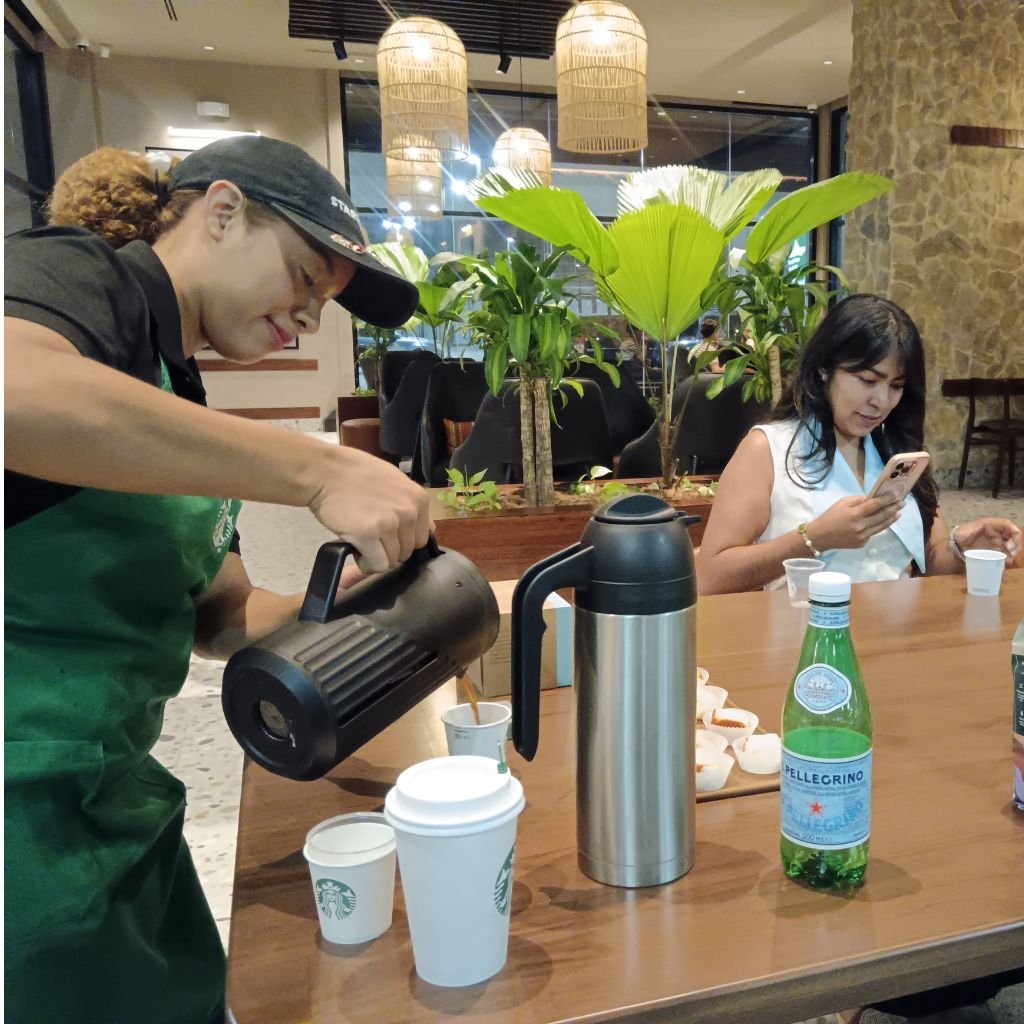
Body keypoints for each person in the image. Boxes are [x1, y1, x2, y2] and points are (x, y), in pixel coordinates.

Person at [5, 135, 432, 1023]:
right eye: (305, 278)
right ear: (223, 211)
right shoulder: (83, 278)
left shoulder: (180, 397)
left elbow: (222, 614)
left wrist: (370, 604)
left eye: (324, 305)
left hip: (110, 800)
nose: (308, 317)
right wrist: (315, 469)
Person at [697, 294, 1020, 594]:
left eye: (896, 386)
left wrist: (963, 547)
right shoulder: (768, 448)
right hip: (806, 631)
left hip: (896, 632)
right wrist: (815, 539)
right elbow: (710, 577)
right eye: (867, 380)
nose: (881, 401)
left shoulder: (897, 452)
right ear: (825, 368)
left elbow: (930, 560)